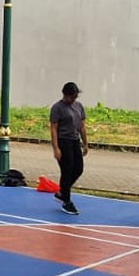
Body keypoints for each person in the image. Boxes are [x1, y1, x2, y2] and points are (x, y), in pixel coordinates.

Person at [49, 81, 88, 216]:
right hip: (63, 141)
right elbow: (53, 128)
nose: (73, 100)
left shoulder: (79, 107)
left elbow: (82, 126)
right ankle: (66, 201)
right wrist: (56, 148)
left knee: (78, 169)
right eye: (71, 97)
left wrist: (85, 143)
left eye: (75, 97)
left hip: (74, 140)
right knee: (67, 170)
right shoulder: (57, 108)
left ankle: (62, 192)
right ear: (65, 95)